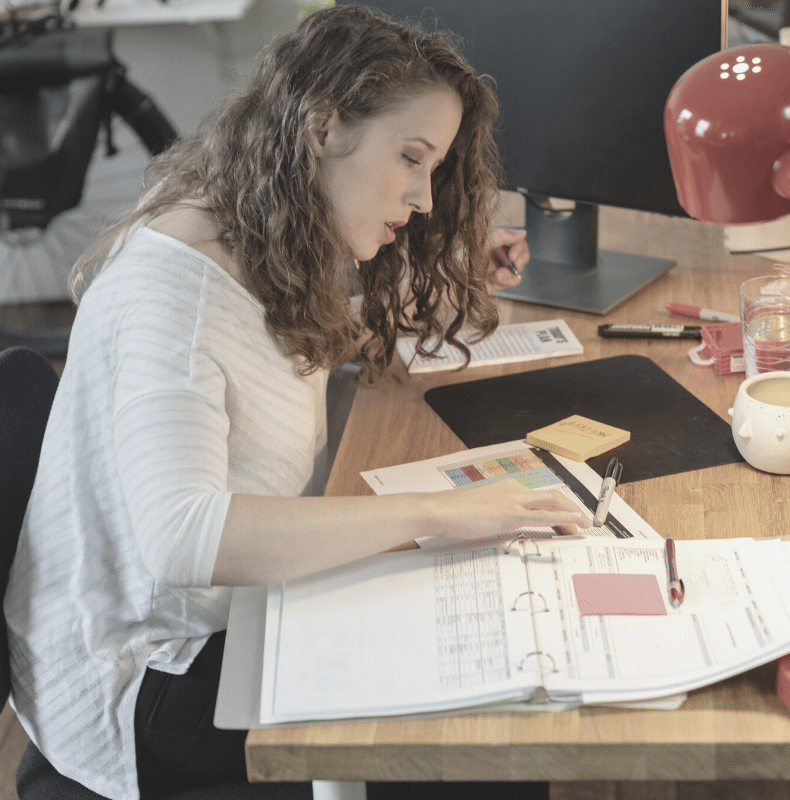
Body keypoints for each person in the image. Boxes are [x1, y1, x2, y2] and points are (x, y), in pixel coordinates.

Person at [3, 6, 587, 800]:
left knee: (491, 650)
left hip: (226, 618)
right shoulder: (173, 296)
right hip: (149, 676)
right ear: (323, 127)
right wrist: (440, 516)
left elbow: (271, 349)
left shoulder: (257, 229)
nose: (421, 196)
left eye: (434, 169)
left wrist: (445, 267)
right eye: (410, 159)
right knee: (492, 737)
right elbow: (184, 536)